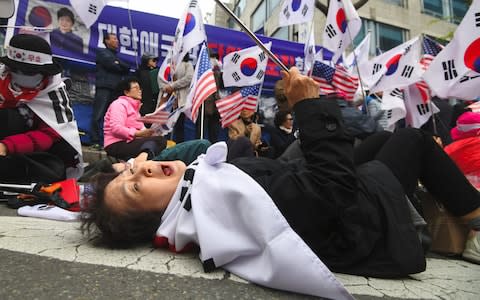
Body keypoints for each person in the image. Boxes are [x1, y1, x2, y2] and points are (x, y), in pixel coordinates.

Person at [81, 67, 480, 280]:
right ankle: (476, 226)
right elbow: (331, 190)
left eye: (133, 169)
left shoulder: (206, 192)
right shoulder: (221, 201)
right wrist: (310, 107)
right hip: (365, 227)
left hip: (346, 215)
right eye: (136, 186)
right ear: (155, 223)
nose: (145, 167)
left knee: (375, 144)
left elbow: (287, 179)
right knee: (412, 140)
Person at [0, 34, 83, 183]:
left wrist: (7, 146)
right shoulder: (2, 78)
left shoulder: (55, 93)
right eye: (16, 70)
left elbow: (50, 134)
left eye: (29, 72)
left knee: (55, 166)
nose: (21, 75)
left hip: (30, 151)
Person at [103, 78, 166, 161]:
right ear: (126, 92)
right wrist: (138, 133)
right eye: (136, 88)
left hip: (129, 142)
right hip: (115, 144)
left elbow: (141, 129)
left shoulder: (134, 108)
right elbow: (116, 128)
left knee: (159, 140)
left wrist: (150, 132)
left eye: (140, 88)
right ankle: (139, 163)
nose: (139, 90)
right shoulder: (119, 104)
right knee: (159, 141)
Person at [90, 32, 130, 149]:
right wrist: (118, 64)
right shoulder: (102, 52)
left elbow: (126, 68)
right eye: (114, 39)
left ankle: (108, 142)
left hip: (115, 90)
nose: (117, 41)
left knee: (112, 117)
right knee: (98, 115)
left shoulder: (116, 56)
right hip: (104, 87)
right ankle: (95, 141)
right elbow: (111, 65)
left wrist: (118, 63)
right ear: (107, 41)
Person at [162, 54, 193, 143]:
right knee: (164, 124)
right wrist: (166, 87)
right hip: (167, 98)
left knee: (179, 125)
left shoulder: (188, 64)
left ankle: (178, 145)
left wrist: (173, 86)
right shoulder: (169, 64)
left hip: (180, 100)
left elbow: (189, 78)